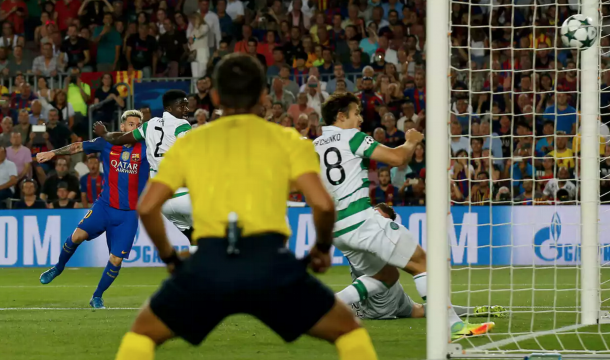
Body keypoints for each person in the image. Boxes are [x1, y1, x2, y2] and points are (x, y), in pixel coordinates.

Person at [113, 54, 378, 360]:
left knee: (142, 335)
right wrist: (320, 248)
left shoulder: (190, 142)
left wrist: (170, 258)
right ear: (264, 96)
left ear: (214, 96)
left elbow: (147, 208)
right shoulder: (288, 140)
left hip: (209, 263)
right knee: (349, 332)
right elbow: (322, 203)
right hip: (270, 263)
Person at [313, 92, 494, 339]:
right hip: (361, 221)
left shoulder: (315, 146)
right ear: (341, 116)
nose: (360, 120)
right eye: (356, 114)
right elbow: (398, 159)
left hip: (337, 229)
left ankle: (321, 307)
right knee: (422, 262)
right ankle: (454, 326)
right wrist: (411, 141)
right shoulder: (352, 137)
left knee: (386, 275)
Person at [37, 110, 150, 309]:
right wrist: (53, 153)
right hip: (104, 207)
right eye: (131, 124)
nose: (136, 128)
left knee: (116, 259)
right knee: (77, 236)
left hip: (129, 214)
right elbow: (78, 146)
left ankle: (97, 296)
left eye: (139, 125)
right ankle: (58, 267)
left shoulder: (147, 148)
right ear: (123, 127)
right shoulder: (107, 142)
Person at [350, 203, 507, 320]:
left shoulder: (369, 239)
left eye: (379, 217)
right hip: (385, 303)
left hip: (382, 306)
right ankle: (475, 310)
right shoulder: (368, 238)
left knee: (423, 309)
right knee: (421, 310)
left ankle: (473, 312)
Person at [94, 90, 194, 242]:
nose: (187, 110)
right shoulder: (182, 125)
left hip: (163, 202)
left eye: (186, 106)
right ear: (168, 109)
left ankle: (197, 264)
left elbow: (120, 138)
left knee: (193, 237)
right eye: (182, 106)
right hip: (184, 195)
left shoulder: (149, 125)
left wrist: (105, 134)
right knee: (215, 234)